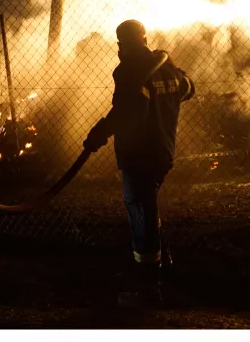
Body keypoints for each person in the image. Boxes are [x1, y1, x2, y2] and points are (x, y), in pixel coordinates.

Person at [83, 19, 195, 309]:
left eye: (120, 45)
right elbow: (188, 89)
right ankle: (162, 263)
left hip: (140, 156)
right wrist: (174, 72)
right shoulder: (166, 67)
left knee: (141, 215)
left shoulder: (130, 70)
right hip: (163, 153)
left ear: (123, 44)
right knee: (148, 209)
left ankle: (147, 291)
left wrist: (99, 134)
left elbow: (130, 110)